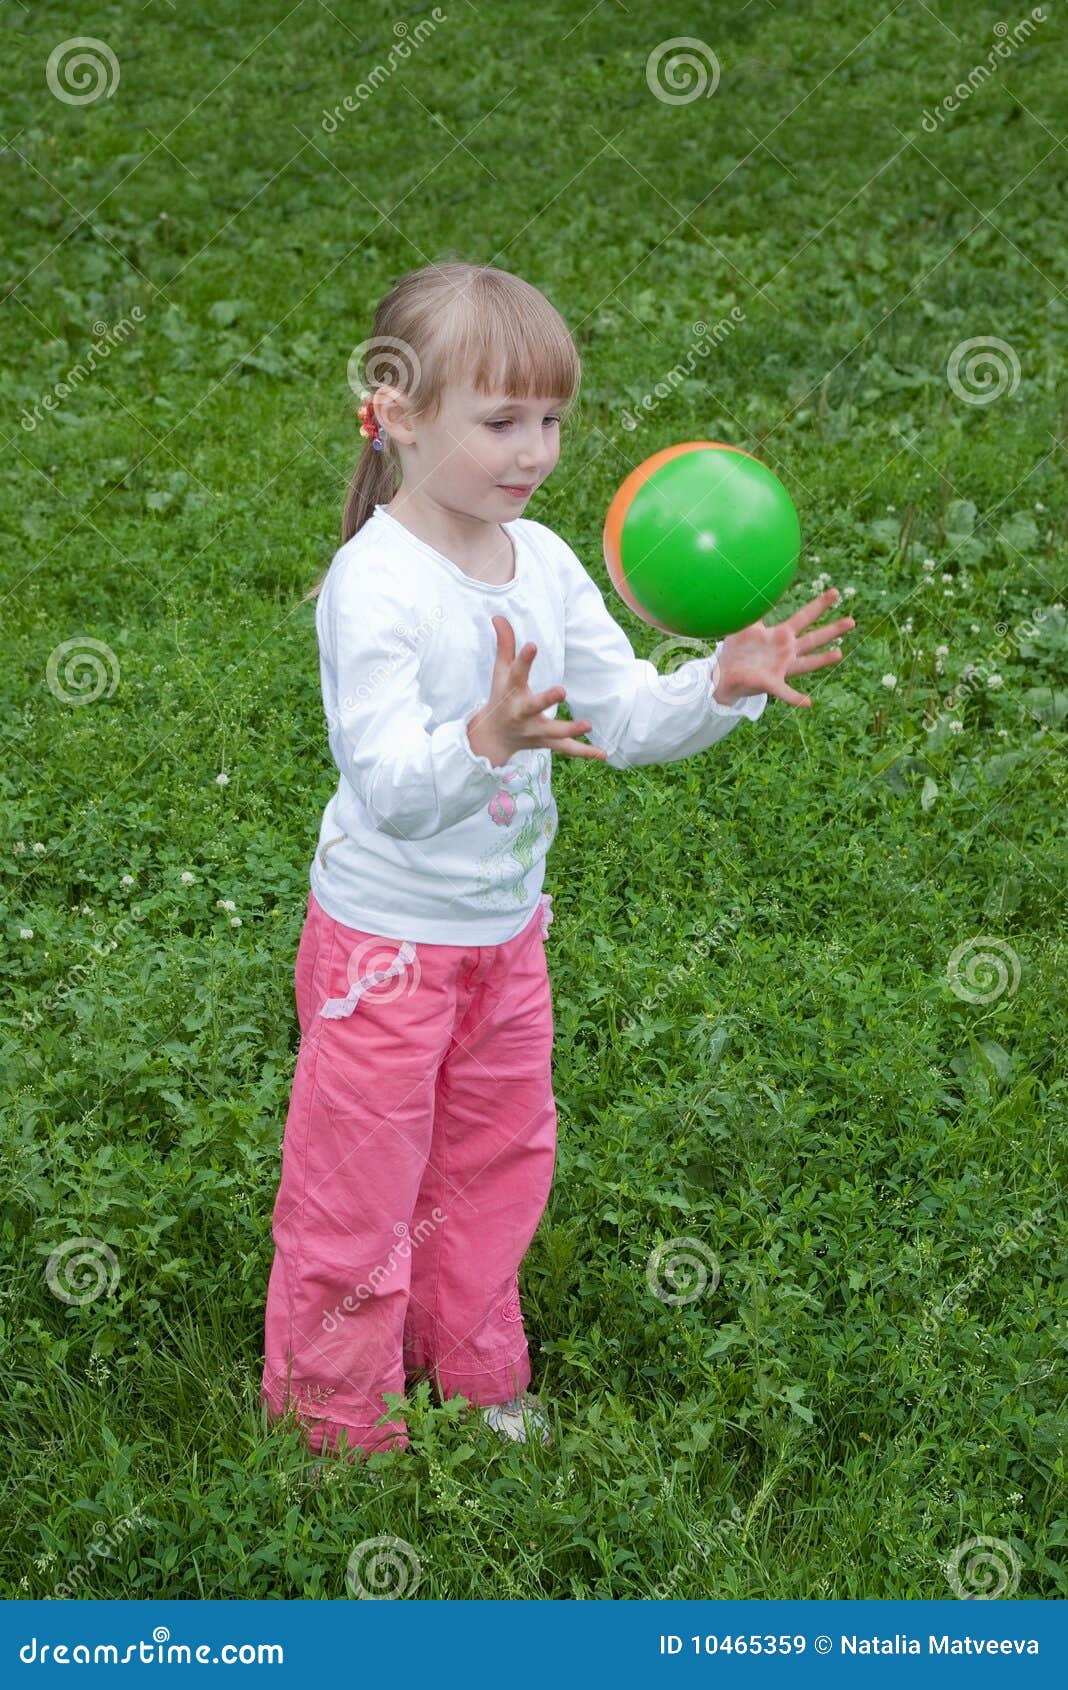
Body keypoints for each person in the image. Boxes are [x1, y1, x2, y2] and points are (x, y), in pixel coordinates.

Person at [260, 261, 855, 1459]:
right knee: (359, 1186)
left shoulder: (541, 561)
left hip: (503, 942)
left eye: (552, 420)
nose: (535, 451)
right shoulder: (374, 586)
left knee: (494, 1160)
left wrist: (717, 685)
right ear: (399, 413)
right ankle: (331, 1419)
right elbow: (387, 783)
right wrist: (486, 738)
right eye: (502, 422)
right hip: (385, 946)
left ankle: (474, 1369)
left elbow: (624, 720)